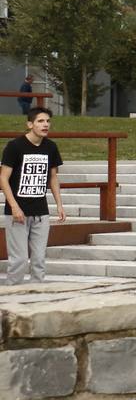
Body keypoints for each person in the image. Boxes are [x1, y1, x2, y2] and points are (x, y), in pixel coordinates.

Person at [2, 107, 66, 284]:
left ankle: (36, 297)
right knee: (19, 260)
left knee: (39, 260)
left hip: (41, 212)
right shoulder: (14, 146)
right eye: (40, 121)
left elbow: (53, 177)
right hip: (17, 213)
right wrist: (14, 206)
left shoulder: (51, 147)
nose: (45, 125)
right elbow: (3, 178)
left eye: (47, 121)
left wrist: (59, 204)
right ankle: (12, 298)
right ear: (30, 124)